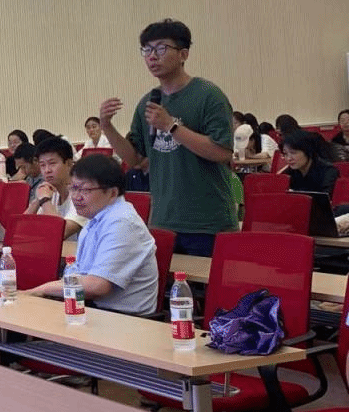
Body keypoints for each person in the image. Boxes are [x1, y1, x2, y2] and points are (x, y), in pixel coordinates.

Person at [99, 18, 236, 257]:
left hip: (206, 222)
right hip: (163, 220)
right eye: (147, 50)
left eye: (161, 48)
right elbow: (136, 159)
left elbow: (222, 152)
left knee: (205, 282)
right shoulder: (148, 102)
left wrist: (171, 126)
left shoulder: (208, 95)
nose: (152, 56)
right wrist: (107, 126)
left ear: (184, 54)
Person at [27, 156, 158, 316]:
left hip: (124, 319)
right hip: (93, 310)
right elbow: (78, 274)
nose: (76, 197)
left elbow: (97, 286)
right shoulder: (95, 218)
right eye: (73, 188)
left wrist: (43, 289)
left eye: (85, 190)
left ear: (112, 193)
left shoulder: (122, 222)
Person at [25, 136, 88, 239]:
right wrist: (37, 200)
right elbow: (21, 229)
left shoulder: (83, 194)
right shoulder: (50, 191)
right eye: (42, 165)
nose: (47, 170)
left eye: (52, 163)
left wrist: (44, 200)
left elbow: (61, 232)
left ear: (69, 163)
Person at [279, 130, 340, 198]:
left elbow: (324, 199)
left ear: (307, 152)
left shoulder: (328, 171)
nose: (288, 158)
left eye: (293, 153)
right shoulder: (288, 173)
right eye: (285, 154)